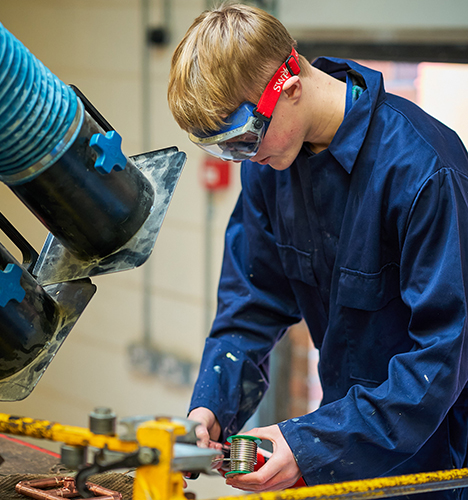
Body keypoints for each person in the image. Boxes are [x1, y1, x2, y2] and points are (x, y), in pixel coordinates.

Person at [167, 4, 468, 498]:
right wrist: (209, 410)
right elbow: (250, 306)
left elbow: (441, 362)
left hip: (436, 471)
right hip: (345, 462)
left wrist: (307, 443)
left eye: (244, 139)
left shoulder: (426, 172)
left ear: (289, 85)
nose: (245, 157)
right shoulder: (270, 169)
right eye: (224, 150)